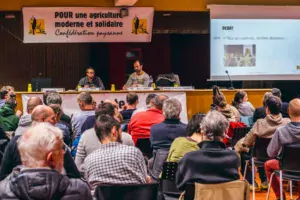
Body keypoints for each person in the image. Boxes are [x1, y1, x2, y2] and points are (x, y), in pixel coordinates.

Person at [0, 123, 92, 200]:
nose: (63, 153)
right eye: (60, 150)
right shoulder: (79, 190)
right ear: (51, 158)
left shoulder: (3, 190)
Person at [0, 105, 81, 180]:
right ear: (42, 120)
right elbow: (74, 174)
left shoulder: (15, 142)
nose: (56, 121)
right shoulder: (56, 142)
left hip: (19, 190)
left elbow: (3, 175)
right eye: (53, 118)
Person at [235, 96, 290, 190]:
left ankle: (252, 183)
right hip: (281, 160)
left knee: (245, 153)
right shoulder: (287, 123)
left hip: (260, 158)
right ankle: (265, 182)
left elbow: (247, 142)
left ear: (267, 109)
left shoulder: (259, 123)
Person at [176, 111, 240, 191]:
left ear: (202, 130)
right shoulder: (234, 157)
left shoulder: (188, 158)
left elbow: (180, 185)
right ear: (226, 132)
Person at [84, 115, 149, 190]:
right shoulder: (134, 152)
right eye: (121, 131)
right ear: (114, 131)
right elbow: (144, 181)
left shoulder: (89, 160)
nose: (122, 135)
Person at [75, 102, 134, 172]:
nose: (118, 119)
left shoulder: (85, 136)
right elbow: (134, 165)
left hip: (93, 180)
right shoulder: (127, 138)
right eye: (117, 116)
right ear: (112, 118)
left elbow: (78, 166)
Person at [265, 98, 300, 200]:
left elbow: (270, 153)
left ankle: (280, 197)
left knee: (268, 165)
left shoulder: (280, 131)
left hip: (284, 166)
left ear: (288, 111)